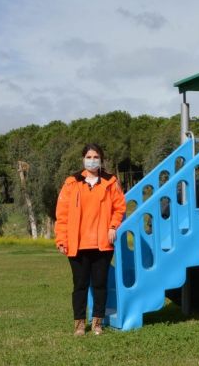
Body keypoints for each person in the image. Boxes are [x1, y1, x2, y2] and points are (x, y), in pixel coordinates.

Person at [55, 143, 126, 336]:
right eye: (88, 156)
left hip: (102, 244)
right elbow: (62, 214)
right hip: (77, 245)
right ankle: (79, 324)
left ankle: (97, 323)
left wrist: (113, 227)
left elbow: (119, 208)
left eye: (96, 157)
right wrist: (62, 239)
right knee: (80, 285)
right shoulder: (71, 182)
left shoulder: (111, 182)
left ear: (101, 160)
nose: (92, 160)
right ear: (83, 159)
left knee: (100, 285)